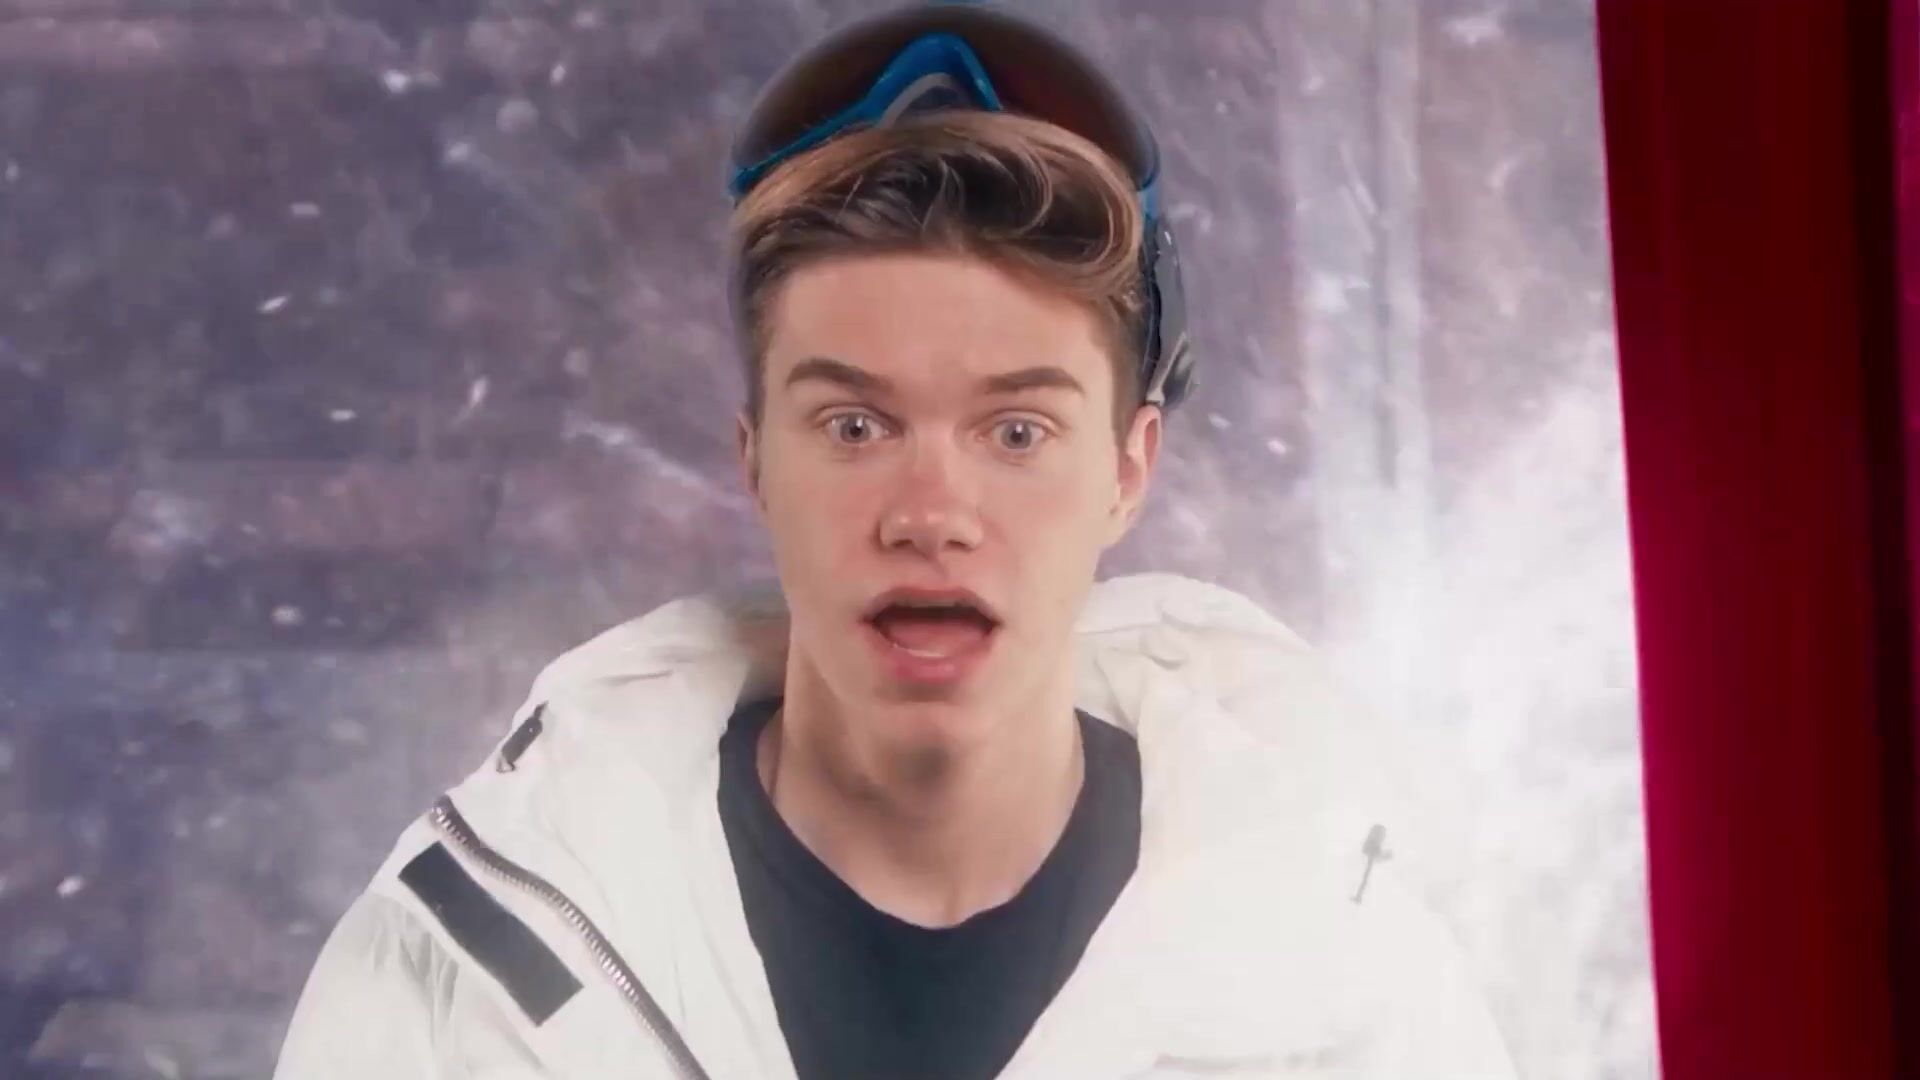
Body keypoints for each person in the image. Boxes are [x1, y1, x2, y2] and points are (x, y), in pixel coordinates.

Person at [274, 4, 1518, 1077]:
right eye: (856, 425)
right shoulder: (462, 969)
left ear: (1128, 470)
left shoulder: (1350, 989)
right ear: (755, 459)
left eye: (1017, 431)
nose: (931, 513)